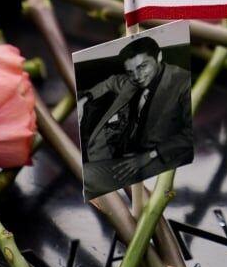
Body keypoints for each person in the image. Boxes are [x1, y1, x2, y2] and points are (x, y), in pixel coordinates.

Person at [80, 36, 193, 196]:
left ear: (159, 57)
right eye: (130, 72)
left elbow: (190, 135)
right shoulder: (132, 81)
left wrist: (149, 156)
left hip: (163, 159)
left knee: (87, 176)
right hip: (126, 153)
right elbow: (111, 82)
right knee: (83, 174)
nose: (137, 76)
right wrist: (84, 100)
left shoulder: (184, 82)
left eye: (142, 67)